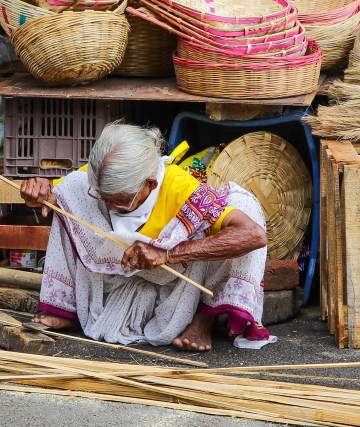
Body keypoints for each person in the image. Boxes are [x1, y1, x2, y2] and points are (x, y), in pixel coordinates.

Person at [21, 123, 270, 352]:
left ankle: (204, 318)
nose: (108, 205)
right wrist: (40, 193)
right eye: (103, 196)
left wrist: (169, 254)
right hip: (114, 275)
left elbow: (253, 235)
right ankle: (62, 307)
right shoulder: (100, 177)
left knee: (244, 207)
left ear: (149, 183)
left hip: (178, 282)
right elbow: (54, 198)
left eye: (118, 200)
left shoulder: (179, 187)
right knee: (69, 193)